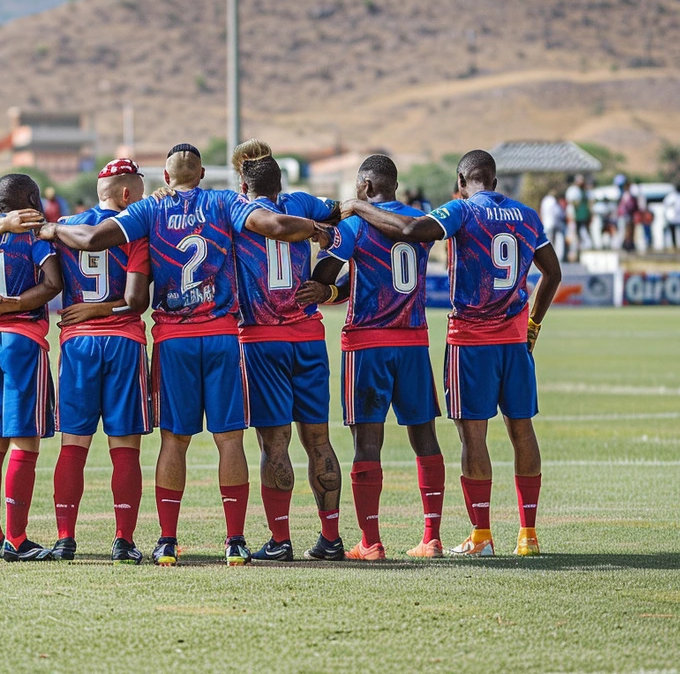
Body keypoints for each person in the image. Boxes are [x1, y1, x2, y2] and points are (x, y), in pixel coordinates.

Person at [39, 143, 331, 566]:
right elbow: (275, 224)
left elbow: (94, 238)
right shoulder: (224, 201)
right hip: (221, 334)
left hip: (172, 339)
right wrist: (312, 228)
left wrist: (50, 229)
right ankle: (234, 541)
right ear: (202, 172)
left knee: (173, 441)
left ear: (166, 176)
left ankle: (167, 541)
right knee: (229, 439)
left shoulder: (150, 210)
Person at [339, 150, 562, 557]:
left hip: (470, 340)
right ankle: (528, 535)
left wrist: (356, 206)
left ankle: (481, 536)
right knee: (521, 429)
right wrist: (532, 325)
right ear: (492, 181)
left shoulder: (460, 211)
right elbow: (553, 272)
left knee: (472, 435)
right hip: (514, 340)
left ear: (461, 181)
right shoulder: (527, 216)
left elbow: (410, 228)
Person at [305, 154, 445, 560]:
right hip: (414, 341)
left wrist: (324, 287)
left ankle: (371, 542)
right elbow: (378, 271)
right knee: (425, 438)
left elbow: (325, 272)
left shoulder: (355, 223)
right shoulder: (421, 220)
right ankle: (431, 537)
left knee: (367, 444)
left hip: (367, 344)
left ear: (364, 187)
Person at [225, 140, 344, 563]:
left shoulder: (238, 209)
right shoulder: (303, 203)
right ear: (282, 182)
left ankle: (280, 539)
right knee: (319, 440)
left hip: (260, 339)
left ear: (243, 182)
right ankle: (330, 538)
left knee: (274, 444)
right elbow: (340, 213)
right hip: (309, 336)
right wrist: (329, 272)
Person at [38, 158, 153, 564]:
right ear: (126, 194)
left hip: (77, 345)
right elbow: (139, 301)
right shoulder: (136, 229)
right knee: (125, 448)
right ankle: (123, 540)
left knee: (73, 446)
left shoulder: (66, 225)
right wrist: (103, 310)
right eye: (139, 190)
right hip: (122, 343)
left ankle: (65, 539)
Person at [0, 174, 63, 562]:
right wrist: (17, 303)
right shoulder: (34, 236)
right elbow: (52, 284)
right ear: (33, 200)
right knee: (25, 438)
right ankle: (17, 539)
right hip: (22, 339)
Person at [565, 175, 591, 257]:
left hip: (579, 217)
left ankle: (582, 250)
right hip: (573, 216)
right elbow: (573, 203)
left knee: (581, 233)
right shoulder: (573, 191)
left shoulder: (584, 191)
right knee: (573, 234)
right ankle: (573, 252)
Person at [540, 188, 566, 255]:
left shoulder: (545, 200)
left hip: (546, 223)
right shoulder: (553, 200)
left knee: (548, 240)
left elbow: (542, 211)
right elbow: (557, 212)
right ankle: (556, 255)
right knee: (557, 239)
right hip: (554, 222)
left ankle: (548, 254)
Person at [616, 175, 636, 252]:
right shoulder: (624, 195)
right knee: (623, 231)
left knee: (628, 231)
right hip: (624, 216)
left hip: (627, 216)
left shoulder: (628, 195)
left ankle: (627, 245)